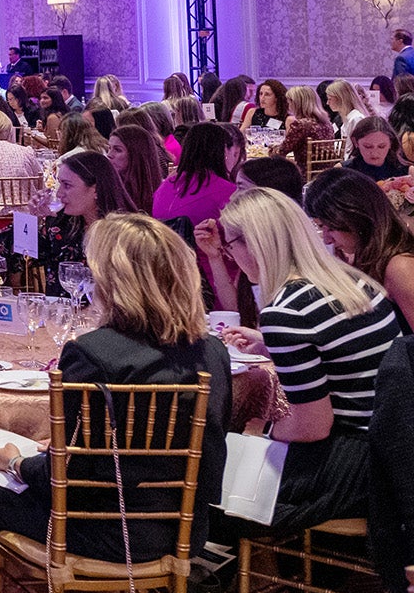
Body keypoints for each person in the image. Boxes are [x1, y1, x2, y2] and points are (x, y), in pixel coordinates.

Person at [0, 214, 230, 562]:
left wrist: (16, 462)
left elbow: (64, 479)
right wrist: (64, 448)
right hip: (186, 529)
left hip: (101, 528)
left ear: (111, 282)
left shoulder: (92, 353)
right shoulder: (213, 351)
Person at [215, 188, 406, 536]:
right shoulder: (351, 279)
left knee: (213, 481)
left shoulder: (286, 310)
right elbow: (348, 363)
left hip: (361, 463)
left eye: (229, 245)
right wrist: (271, 347)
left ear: (254, 244)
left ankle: (268, 587)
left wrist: (265, 429)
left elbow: (312, 426)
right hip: (396, 444)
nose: (230, 256)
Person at [304, 167, 414, 328]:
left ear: (355, 217)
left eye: (331, 228)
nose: (327, 240)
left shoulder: (399, 266)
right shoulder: (367, 255)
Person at [18, 151, 131, 294]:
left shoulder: (125, 235)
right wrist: (33, 218)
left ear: (95, 189)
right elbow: (20, 258)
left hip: (103, 314)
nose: (59, 193)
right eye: (60, 184)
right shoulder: (62, 224)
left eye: (67, 185)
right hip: (59, 313)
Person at [155, 123, 240, 288]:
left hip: (167, 278)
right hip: (214, 283)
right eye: (234, 152)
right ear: (224, 152)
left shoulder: (164, 187)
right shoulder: (228, 193)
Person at [106, 125, 167, 216]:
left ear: (136, 155)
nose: (109, 155)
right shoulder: (108, 189)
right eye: (109, 148)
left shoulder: (162, 193)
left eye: (118, 150)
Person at [272, 84, 334, 170]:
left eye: (289, 102)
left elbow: (282, 151)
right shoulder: (327, 123)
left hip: (304, 173)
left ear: (296, 103)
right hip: (327, 173)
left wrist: (272, 148)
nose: (288, 106)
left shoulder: (301, 124)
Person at [342, 115, 409, 180]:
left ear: (390, 143)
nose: (374, 153)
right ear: (355, 142)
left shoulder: (407, 172)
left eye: (381, 146)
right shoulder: (343, 171)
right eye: (368, 146)